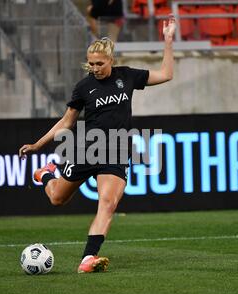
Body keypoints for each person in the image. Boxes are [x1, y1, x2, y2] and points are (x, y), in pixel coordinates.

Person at [19, 16, 176, 273]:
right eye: (91, 64)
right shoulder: (83, 87)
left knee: (108, 203)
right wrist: (38, 145)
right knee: (58, 198)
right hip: (87, 149)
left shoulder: (128, 77)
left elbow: (167, 74)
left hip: (116, 150)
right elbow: (67, 121)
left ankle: (87, 259)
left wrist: (168, 41)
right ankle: (46, 173)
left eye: (99, 63)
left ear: (111, 60)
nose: (94, 68)